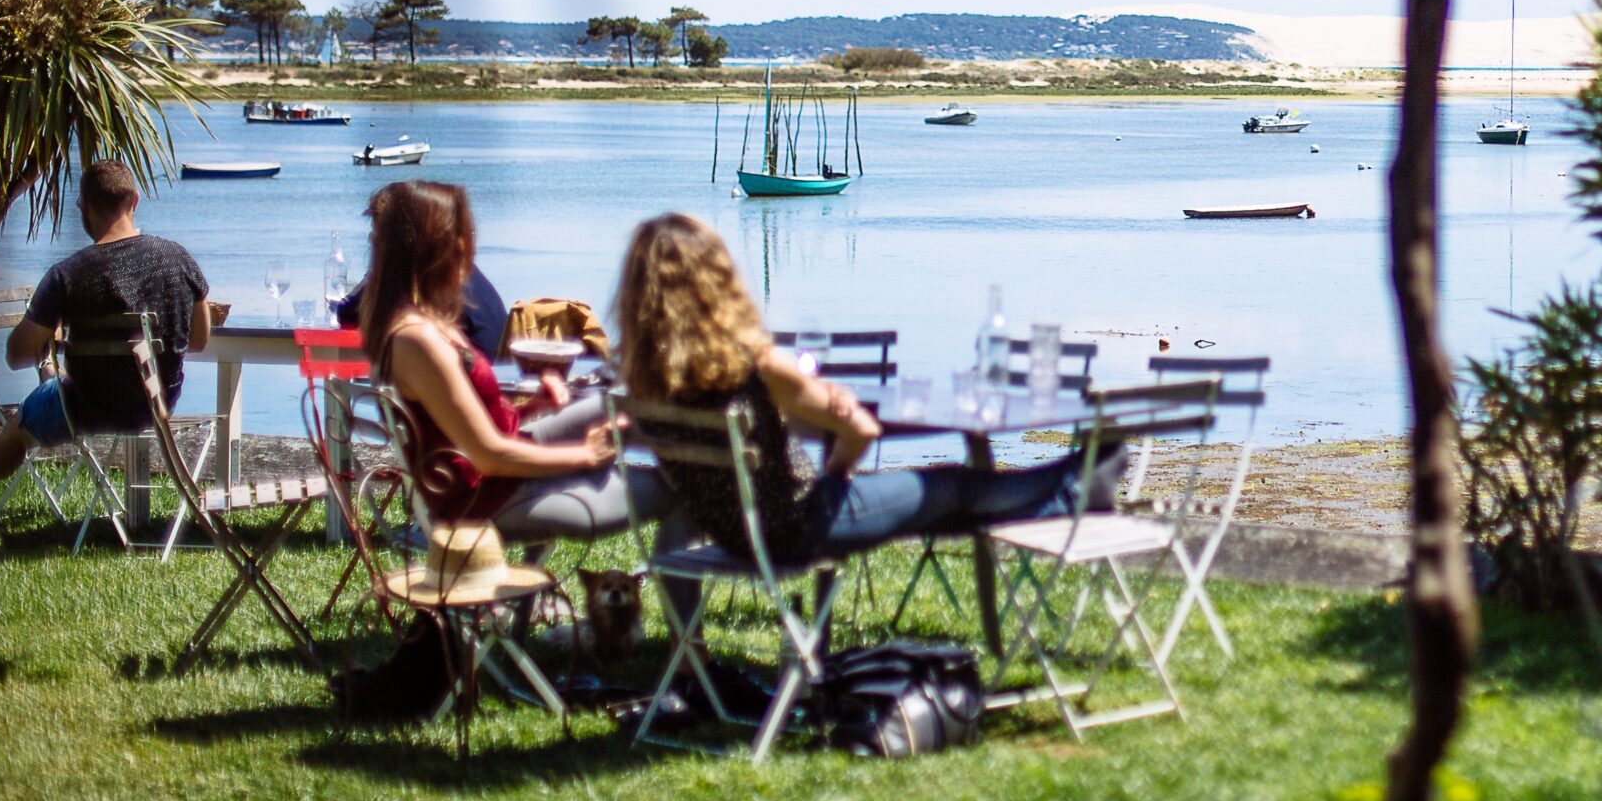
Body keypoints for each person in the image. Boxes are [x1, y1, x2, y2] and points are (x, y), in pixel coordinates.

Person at [612, 213, 1105, 564]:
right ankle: (1073, 484)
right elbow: (863, 430)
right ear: (716, 283)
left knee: (947, 511)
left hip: (735, 537)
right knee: (951, 484)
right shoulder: (756, 367)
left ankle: (1072, 483)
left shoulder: (638, 377)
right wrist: (835, 472)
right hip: (803, 526)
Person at [363, 180, 667, 544]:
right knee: (678, 492)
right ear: (436, 244)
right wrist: (586, 456)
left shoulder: (425, 325)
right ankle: (721, 505)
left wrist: (532, 406)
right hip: (488, 499)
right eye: (462, 232)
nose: (469, 244)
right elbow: (488, 455)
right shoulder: (419, 341)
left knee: (629, 408)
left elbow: (458, 427)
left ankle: (720, 463)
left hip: (502, 478)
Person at [0, 161, 210, 512]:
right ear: (135, 201)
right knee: (54, 384)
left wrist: (47, 330)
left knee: (23, 421)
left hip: (82, 410)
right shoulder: (179, 259)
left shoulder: (67, 275)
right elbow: (199, 340)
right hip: (157, 407)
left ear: (84, 206)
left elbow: (15, 354)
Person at [333, 262, 504, 361]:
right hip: (496, 374)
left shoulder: (419, 268)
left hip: (476, 382)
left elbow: (349, 313)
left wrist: (378, 268)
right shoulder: (458, 266)